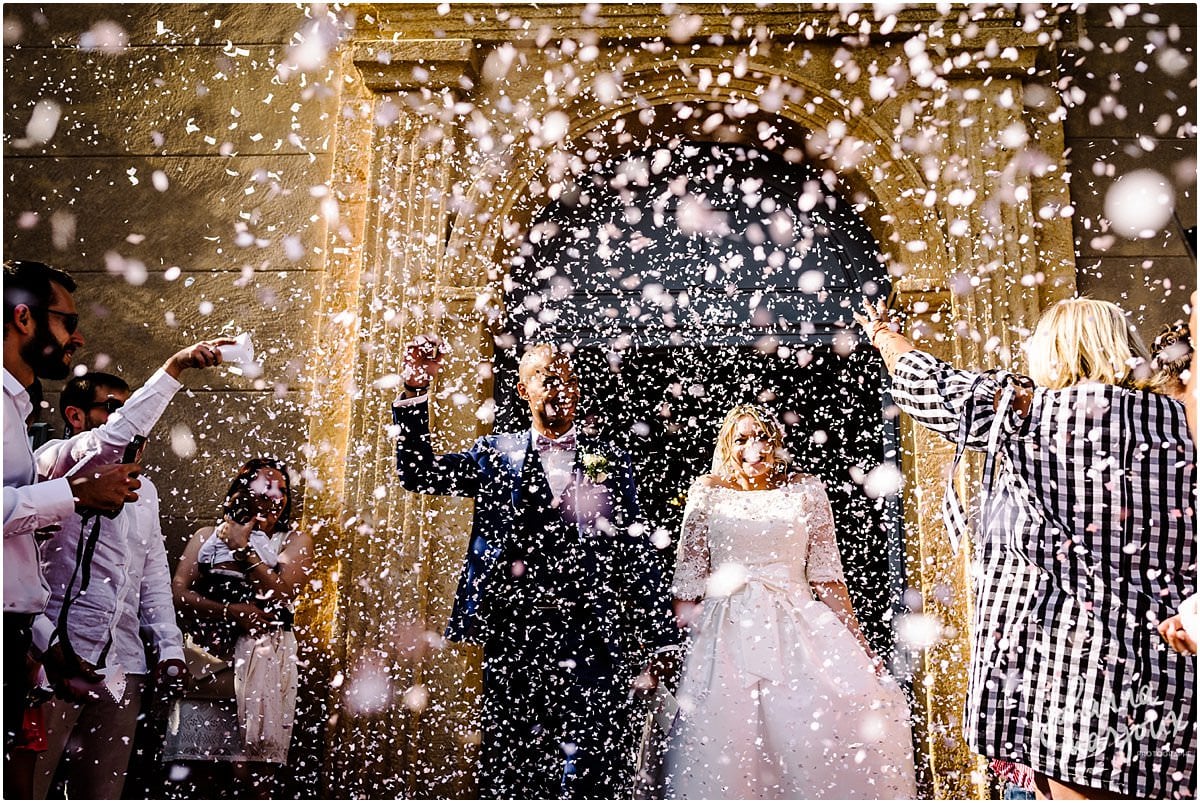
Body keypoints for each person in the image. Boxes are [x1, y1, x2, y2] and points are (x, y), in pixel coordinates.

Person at [856, 296, 1196, 799]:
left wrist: (883, 332)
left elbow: (924, 381)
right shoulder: (1183, 422)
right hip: (1168, 656)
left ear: (1054, 351)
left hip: (1064, 661)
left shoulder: (1020, 411)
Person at [392, 337, 675, 798]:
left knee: (591, 763)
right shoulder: (494, 454)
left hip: (590, 634)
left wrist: (661, 635)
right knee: (513, 763)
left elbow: (633, 550)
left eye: (566, 376)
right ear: (524, 390)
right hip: (514, 632)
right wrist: (415, 387)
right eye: (545, 375)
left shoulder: (610, 461)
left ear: (578, 391)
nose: (557, 383)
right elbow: (419, 472)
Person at [662, 404, 916, 799]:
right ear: (728, 447)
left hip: (799, 628)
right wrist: (681, 648)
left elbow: (827, 577)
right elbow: (687, 582)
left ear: (777, 443)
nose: (754, 448)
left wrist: (862, 645)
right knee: (729, 742)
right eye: (742, 440)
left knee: (811, 736)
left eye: (763, 438)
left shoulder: (806, 490)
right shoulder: (707, 493)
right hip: (725, 636)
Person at [31, 356, 226, 798]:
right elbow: (109, 439)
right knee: (29, 786)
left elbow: (153, 573)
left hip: (124, 666)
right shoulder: (55, 462)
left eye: (128, 407)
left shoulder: (147, 490)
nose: (127, 421)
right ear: (75, 416)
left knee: (102, 792)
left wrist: (168, 648)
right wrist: (175, 368)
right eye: (112, 408)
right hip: (53, 660)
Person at [2, 259, 141, 798]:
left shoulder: (16, 403)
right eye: (67, 321)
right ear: (24, 318)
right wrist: (77, 494)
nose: (77, 338)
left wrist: (46, 646)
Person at [163, 457, 312, 798]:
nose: (275, 495)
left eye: (282, 489)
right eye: (265, 486)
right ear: (243, 491)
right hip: (209, 662)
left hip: (265, 659)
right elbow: (178, 592)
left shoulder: (294, 541)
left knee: (253, 769)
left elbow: (283, 591)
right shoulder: (206, 536)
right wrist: (229, 610)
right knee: (196, 767)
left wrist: (244, 552)